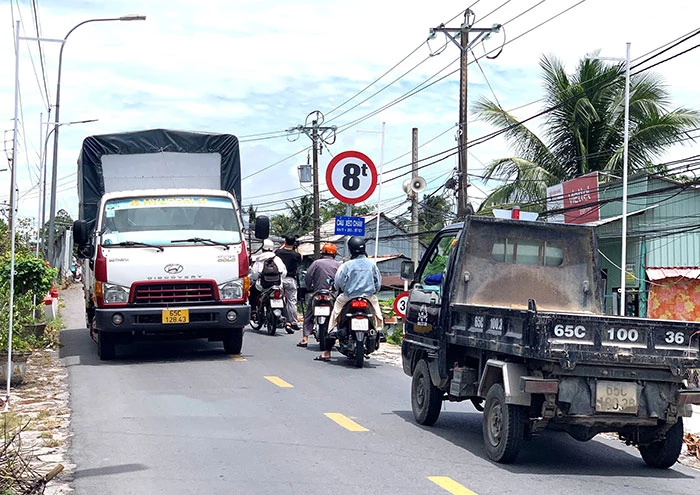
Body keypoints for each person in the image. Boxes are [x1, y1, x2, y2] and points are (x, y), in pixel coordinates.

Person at [314, 236, 383, 362]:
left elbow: (338, 282)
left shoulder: (346, 265)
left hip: (348, 297)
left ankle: (327, 349)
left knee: (335, 315)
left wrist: (341, 289)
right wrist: (372, 291)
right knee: (377, 314)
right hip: (368, 297)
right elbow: (377, 283)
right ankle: (379, 330)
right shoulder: (372, 265)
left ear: (351, 249)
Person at [297, 243, 341, 348]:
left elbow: (308, 276)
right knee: (337, 314)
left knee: (309, 314)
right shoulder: (338, 265)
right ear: (334, 254)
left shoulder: (316, 263)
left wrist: (308, 287)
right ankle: (337, 336)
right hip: (332, 294)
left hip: (317, 293)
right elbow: (342, 279)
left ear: (323, 252)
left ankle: (305, 338)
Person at [249, 239, 287, 321]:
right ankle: (287, 319)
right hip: (277, 285)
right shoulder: (277, 259)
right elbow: (284, 273)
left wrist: (254, 278)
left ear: (262, 249)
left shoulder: (259, 259)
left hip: (262, 286)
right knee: (283, 298)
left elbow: (254, 274)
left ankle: (253, 312)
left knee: (252, 292)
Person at [275, 235, 303, 333]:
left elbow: (276, 252)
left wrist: (284, 245)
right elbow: (301, 257)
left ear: (285, 242)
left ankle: (280, 318)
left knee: (279, 299)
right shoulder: (295, 254)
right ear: (294, 243)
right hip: (291, 279)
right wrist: (298, 247)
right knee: (292, 302)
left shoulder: (279, 252)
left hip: (280, 279)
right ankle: (293, 322)